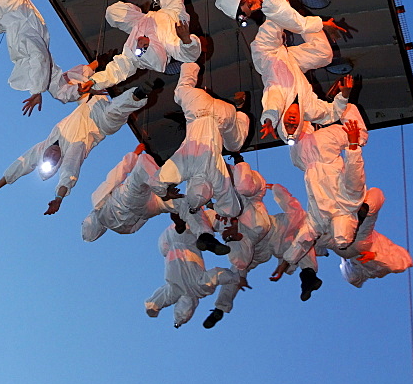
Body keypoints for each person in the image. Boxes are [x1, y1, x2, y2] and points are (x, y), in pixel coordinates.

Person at [0, 79, 153, 215]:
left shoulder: (44, 144)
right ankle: (138, 93)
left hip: (91, 102)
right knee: (114, 111)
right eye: (54, 160)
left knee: (67, 86)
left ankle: (106, 67)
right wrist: (58, 199)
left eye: (47, 157)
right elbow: (69, 173)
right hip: (102, 122)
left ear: (42, 156)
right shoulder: (72, 152)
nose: (52, 155)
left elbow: (20, 165)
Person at [250, 0, 355, 142]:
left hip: (267, 55)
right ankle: (310, 22)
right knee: (324, 56)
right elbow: (333, 114)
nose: (292, 121)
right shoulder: (310, 110)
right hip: (291, 63)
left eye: (287, 125)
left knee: (278, 15)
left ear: (281, 122)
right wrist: (344, 95)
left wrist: (269, 120)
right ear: (300, 124)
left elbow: (272, 105)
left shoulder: (279, 101)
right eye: (294, 126)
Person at [204, 181, 322, 327]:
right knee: (236, 270)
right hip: (255, 248)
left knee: (302, 234)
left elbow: (292, 209)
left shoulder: (239, 205)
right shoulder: (217, 217)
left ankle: (308, 275)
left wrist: (277, 189)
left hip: (271, 233)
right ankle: (220, 308)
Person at [270, 115, 369, 282]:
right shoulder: (351, 202)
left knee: (293, 128)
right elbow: (355, 174)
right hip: (326, 150)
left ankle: (300, 107)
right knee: (360, 134)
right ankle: (342, 99)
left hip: (304, 160)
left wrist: (285, 263)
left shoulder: (319, 221)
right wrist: (353, 145)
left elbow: (302, 241)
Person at [150, 62, 250, 221]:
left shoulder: (217, 179)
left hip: (223, 114)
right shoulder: (185, 166)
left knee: (235, 145)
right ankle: (189, 59)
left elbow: (233, 210)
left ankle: (241, 110)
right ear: (189, 185)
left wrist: (212, 206)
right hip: (198, 107)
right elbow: (155, 182)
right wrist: (164, 193)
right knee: (181, 90)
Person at [81, 145, 227, 252]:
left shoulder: (122, 231)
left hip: (148, 209)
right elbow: (114, 178)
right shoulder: (96, 202)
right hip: (128, 198)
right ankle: (202, 230)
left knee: (186, 203)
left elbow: (141, 221)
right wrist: (136, 153)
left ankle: (205, 236)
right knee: (143, 161)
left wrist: (157, 198)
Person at [144, 223, 239, 328]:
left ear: (194, 305)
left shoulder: (201, 287)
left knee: (204, 222)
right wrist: (152, 307)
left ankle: (226, 227)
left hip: (185, 239)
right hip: (165, 244)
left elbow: (218, 275)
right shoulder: (174, 290)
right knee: (195, 220)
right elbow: (161, 298)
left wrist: (235, 278)